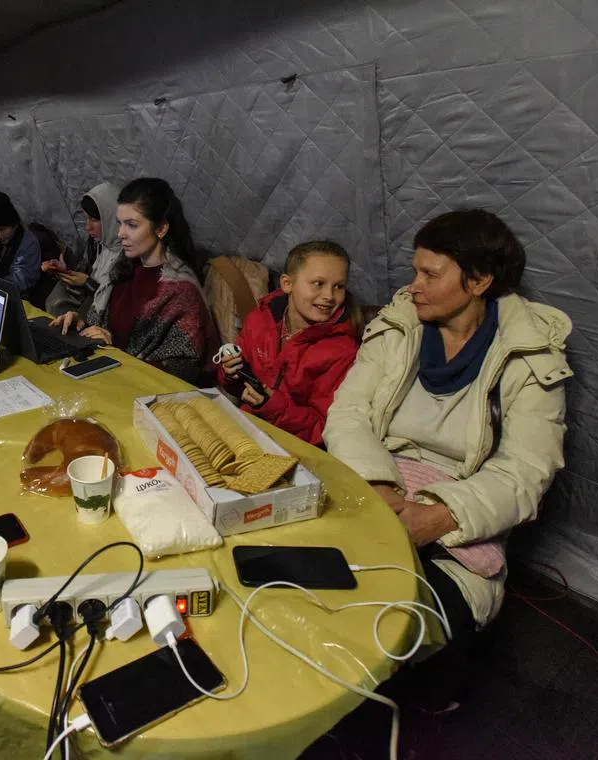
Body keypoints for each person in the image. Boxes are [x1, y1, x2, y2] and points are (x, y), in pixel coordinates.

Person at [323, 209, 572, 640]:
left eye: (430, 275)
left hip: (460, 506)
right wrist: (377, 486)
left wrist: (441, 515)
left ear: (478, 282)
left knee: (396, 625)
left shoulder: (531, 358)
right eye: (414, 271)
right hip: (376, 484)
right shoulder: (399, 328)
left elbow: (526, 472)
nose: (413, 287)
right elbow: (350, 413)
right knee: (299, 580)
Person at [51, 177, 217, 384]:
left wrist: (115, 353)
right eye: (120, 223)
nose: (121, 233)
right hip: (110, 375)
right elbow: (103, 327)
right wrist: (80, 324)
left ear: (161, 229)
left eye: (132, 225)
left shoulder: (180, 290)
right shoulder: (124, 269)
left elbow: (183, 372)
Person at [217, 241, 361, 446]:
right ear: (287, 284)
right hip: (245, 431)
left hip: (296, 449)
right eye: (318, 283)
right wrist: (230, 373)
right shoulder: (260, 320)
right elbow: (238, 387)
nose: (329, 296)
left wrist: (271, 405)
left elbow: (325, 428)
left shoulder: (342, 351)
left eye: (339, 286)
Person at [43, 182, 122, 322]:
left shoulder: (128, 255)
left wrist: (87, 283)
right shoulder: (98, 245)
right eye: (86, 218)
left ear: (112, 217)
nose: (87, 227)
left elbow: (117, 305)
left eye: (94, 219)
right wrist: (64, 271)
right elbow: (84, 271)